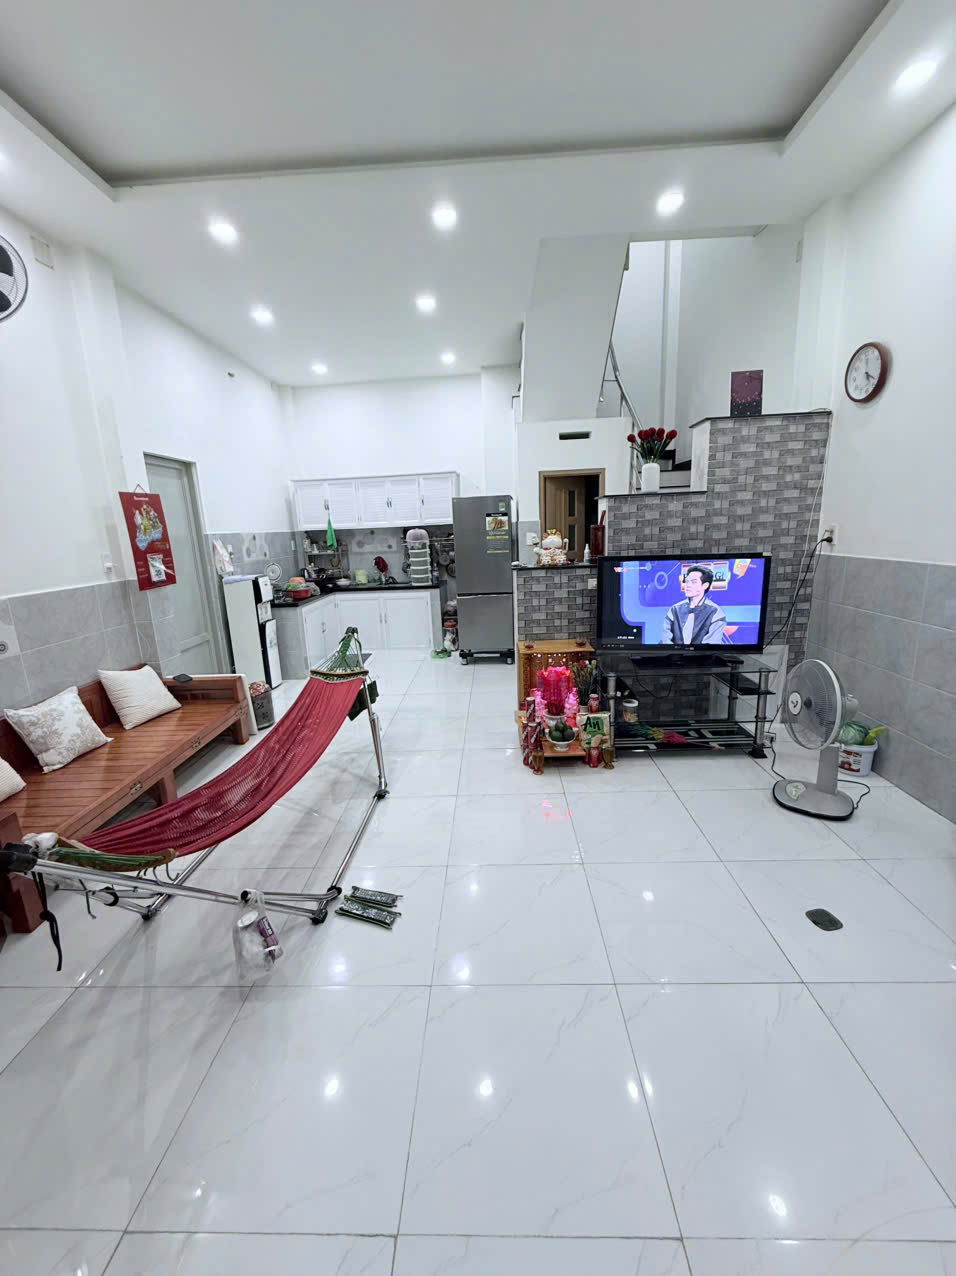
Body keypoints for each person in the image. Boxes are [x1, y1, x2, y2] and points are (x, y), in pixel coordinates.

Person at [661, 565, 726, 645]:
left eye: (693, 582)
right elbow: (666, 641)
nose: (688, 585)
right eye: (687, 581)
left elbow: (711, 646)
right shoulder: (674, 610)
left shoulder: (716, 613)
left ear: (705, 585)